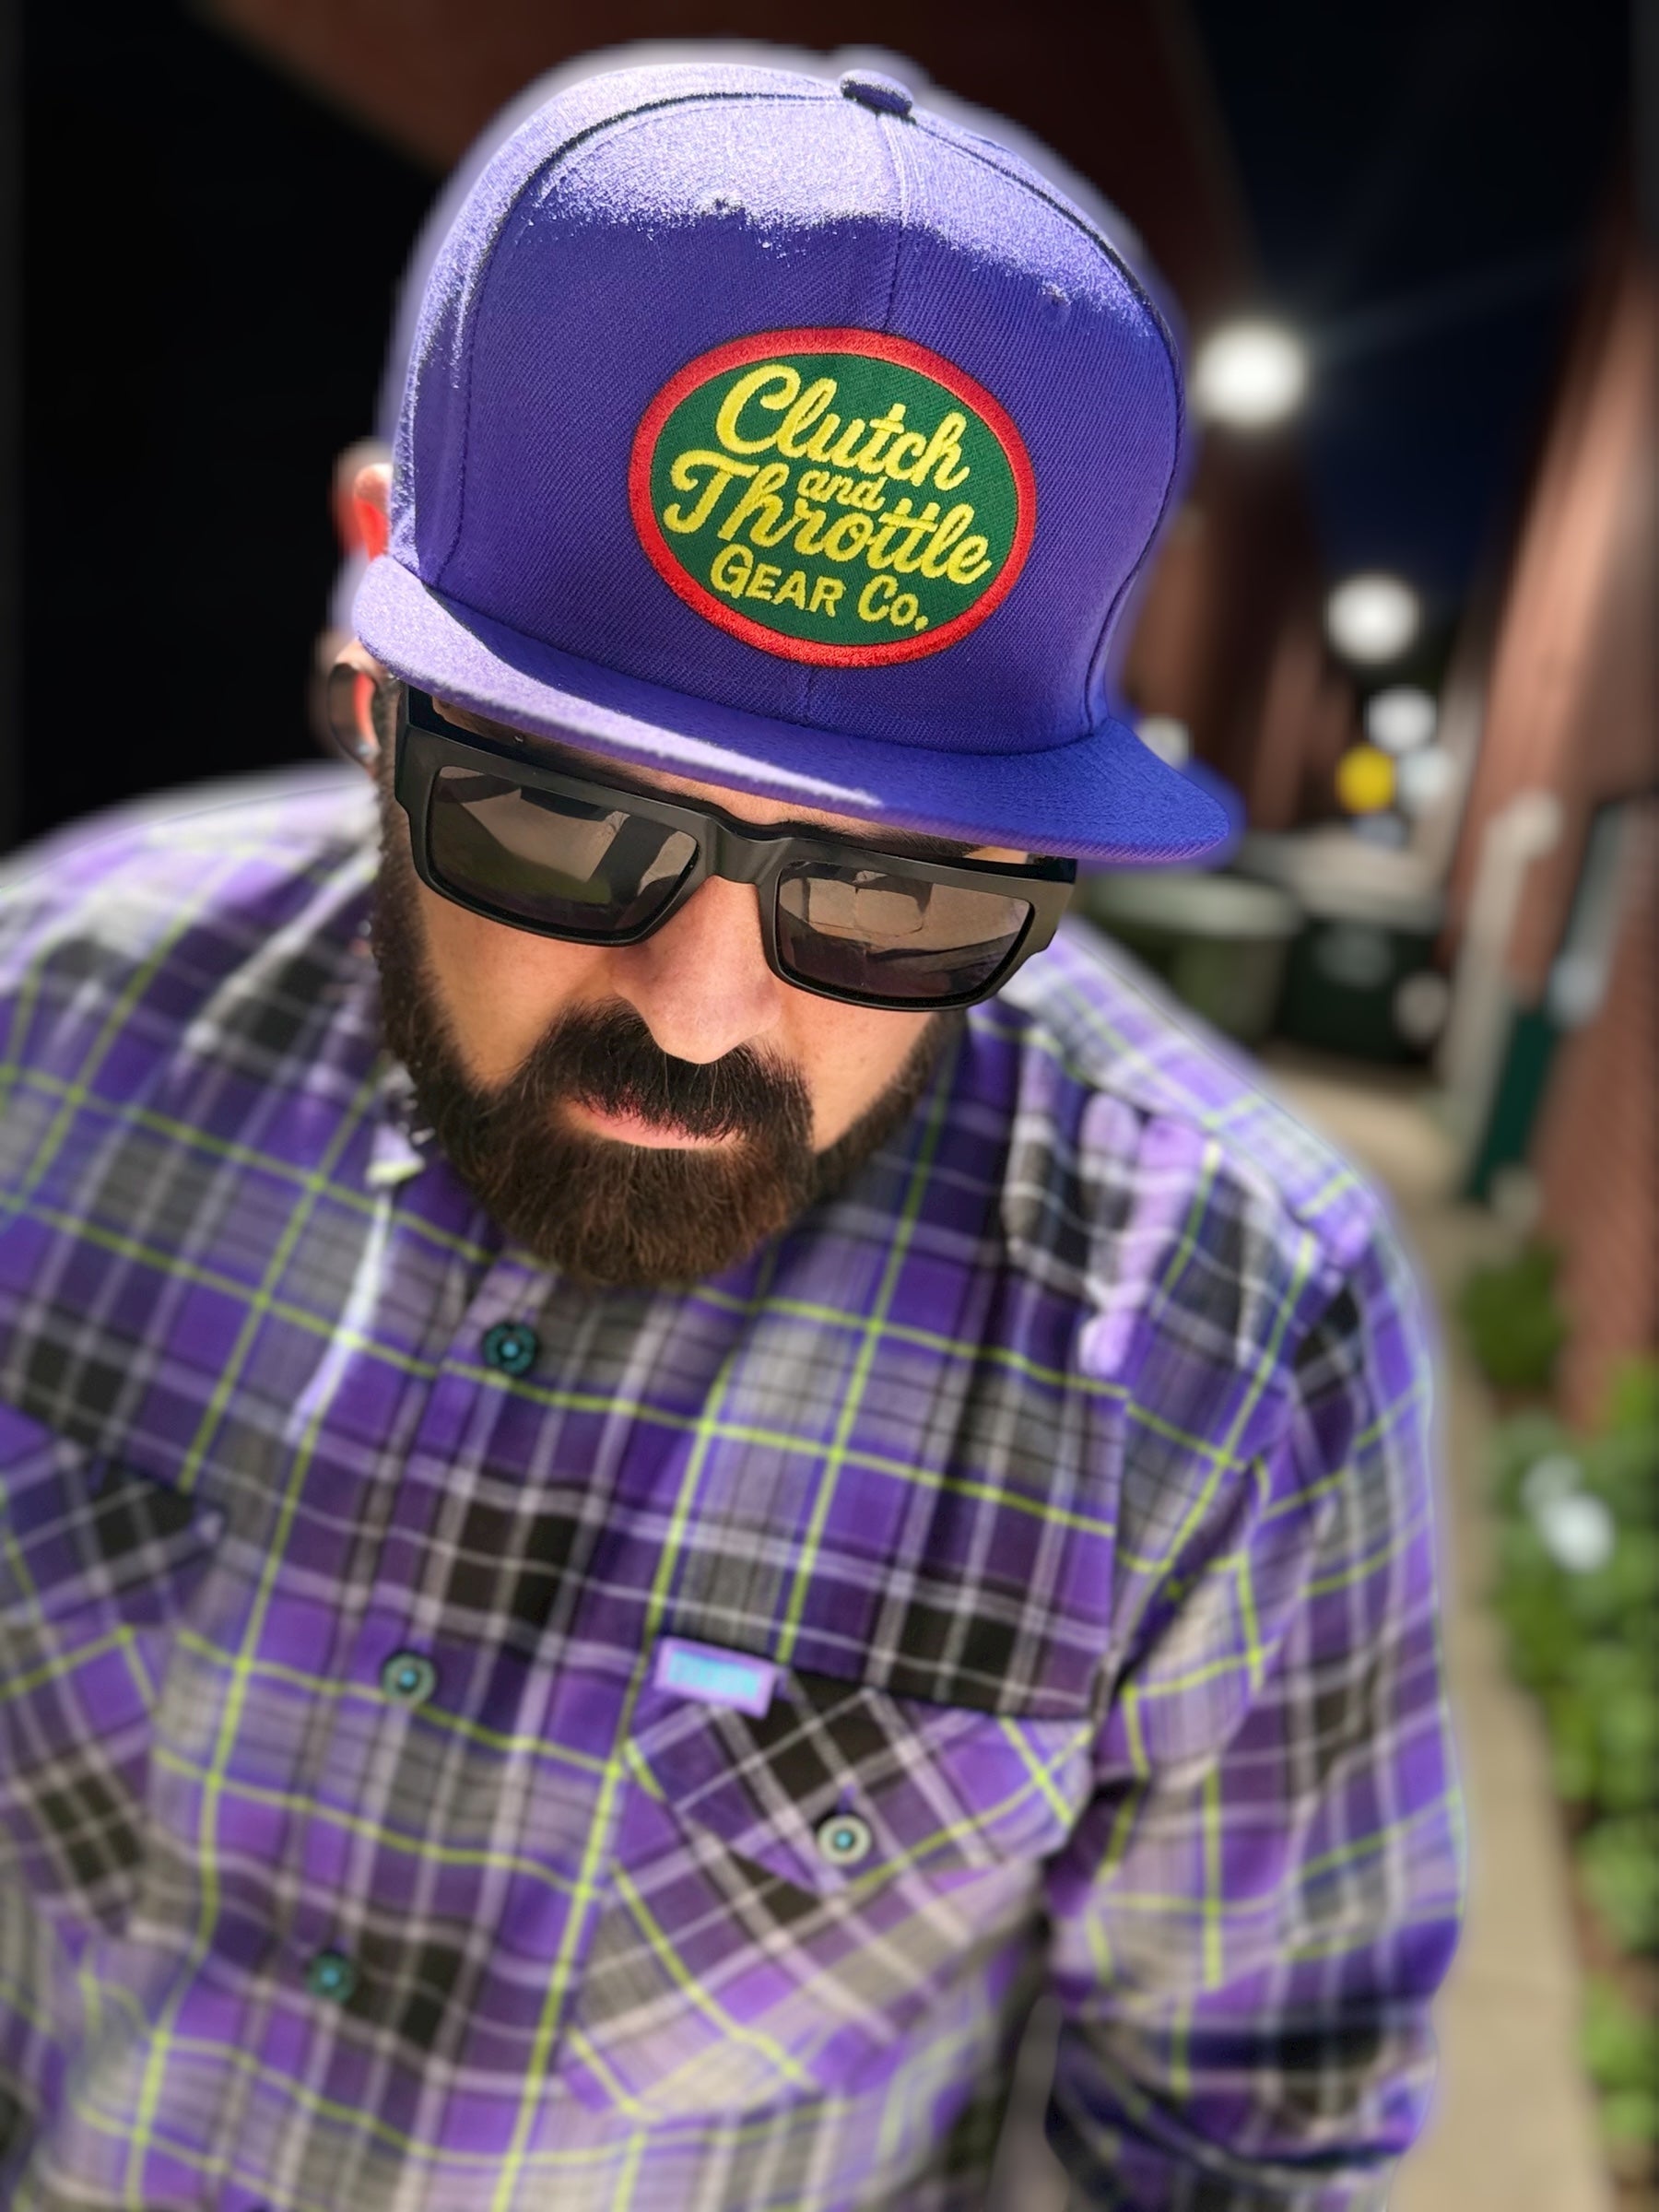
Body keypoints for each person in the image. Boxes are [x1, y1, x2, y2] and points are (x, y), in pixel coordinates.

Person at [0, 56, 1463, 2212]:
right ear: (368, 666)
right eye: (556, 815)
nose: (699, 1010)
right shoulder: (47, 1024)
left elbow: (1248, 2141)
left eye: (897, 897)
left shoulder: (1238, 1342)